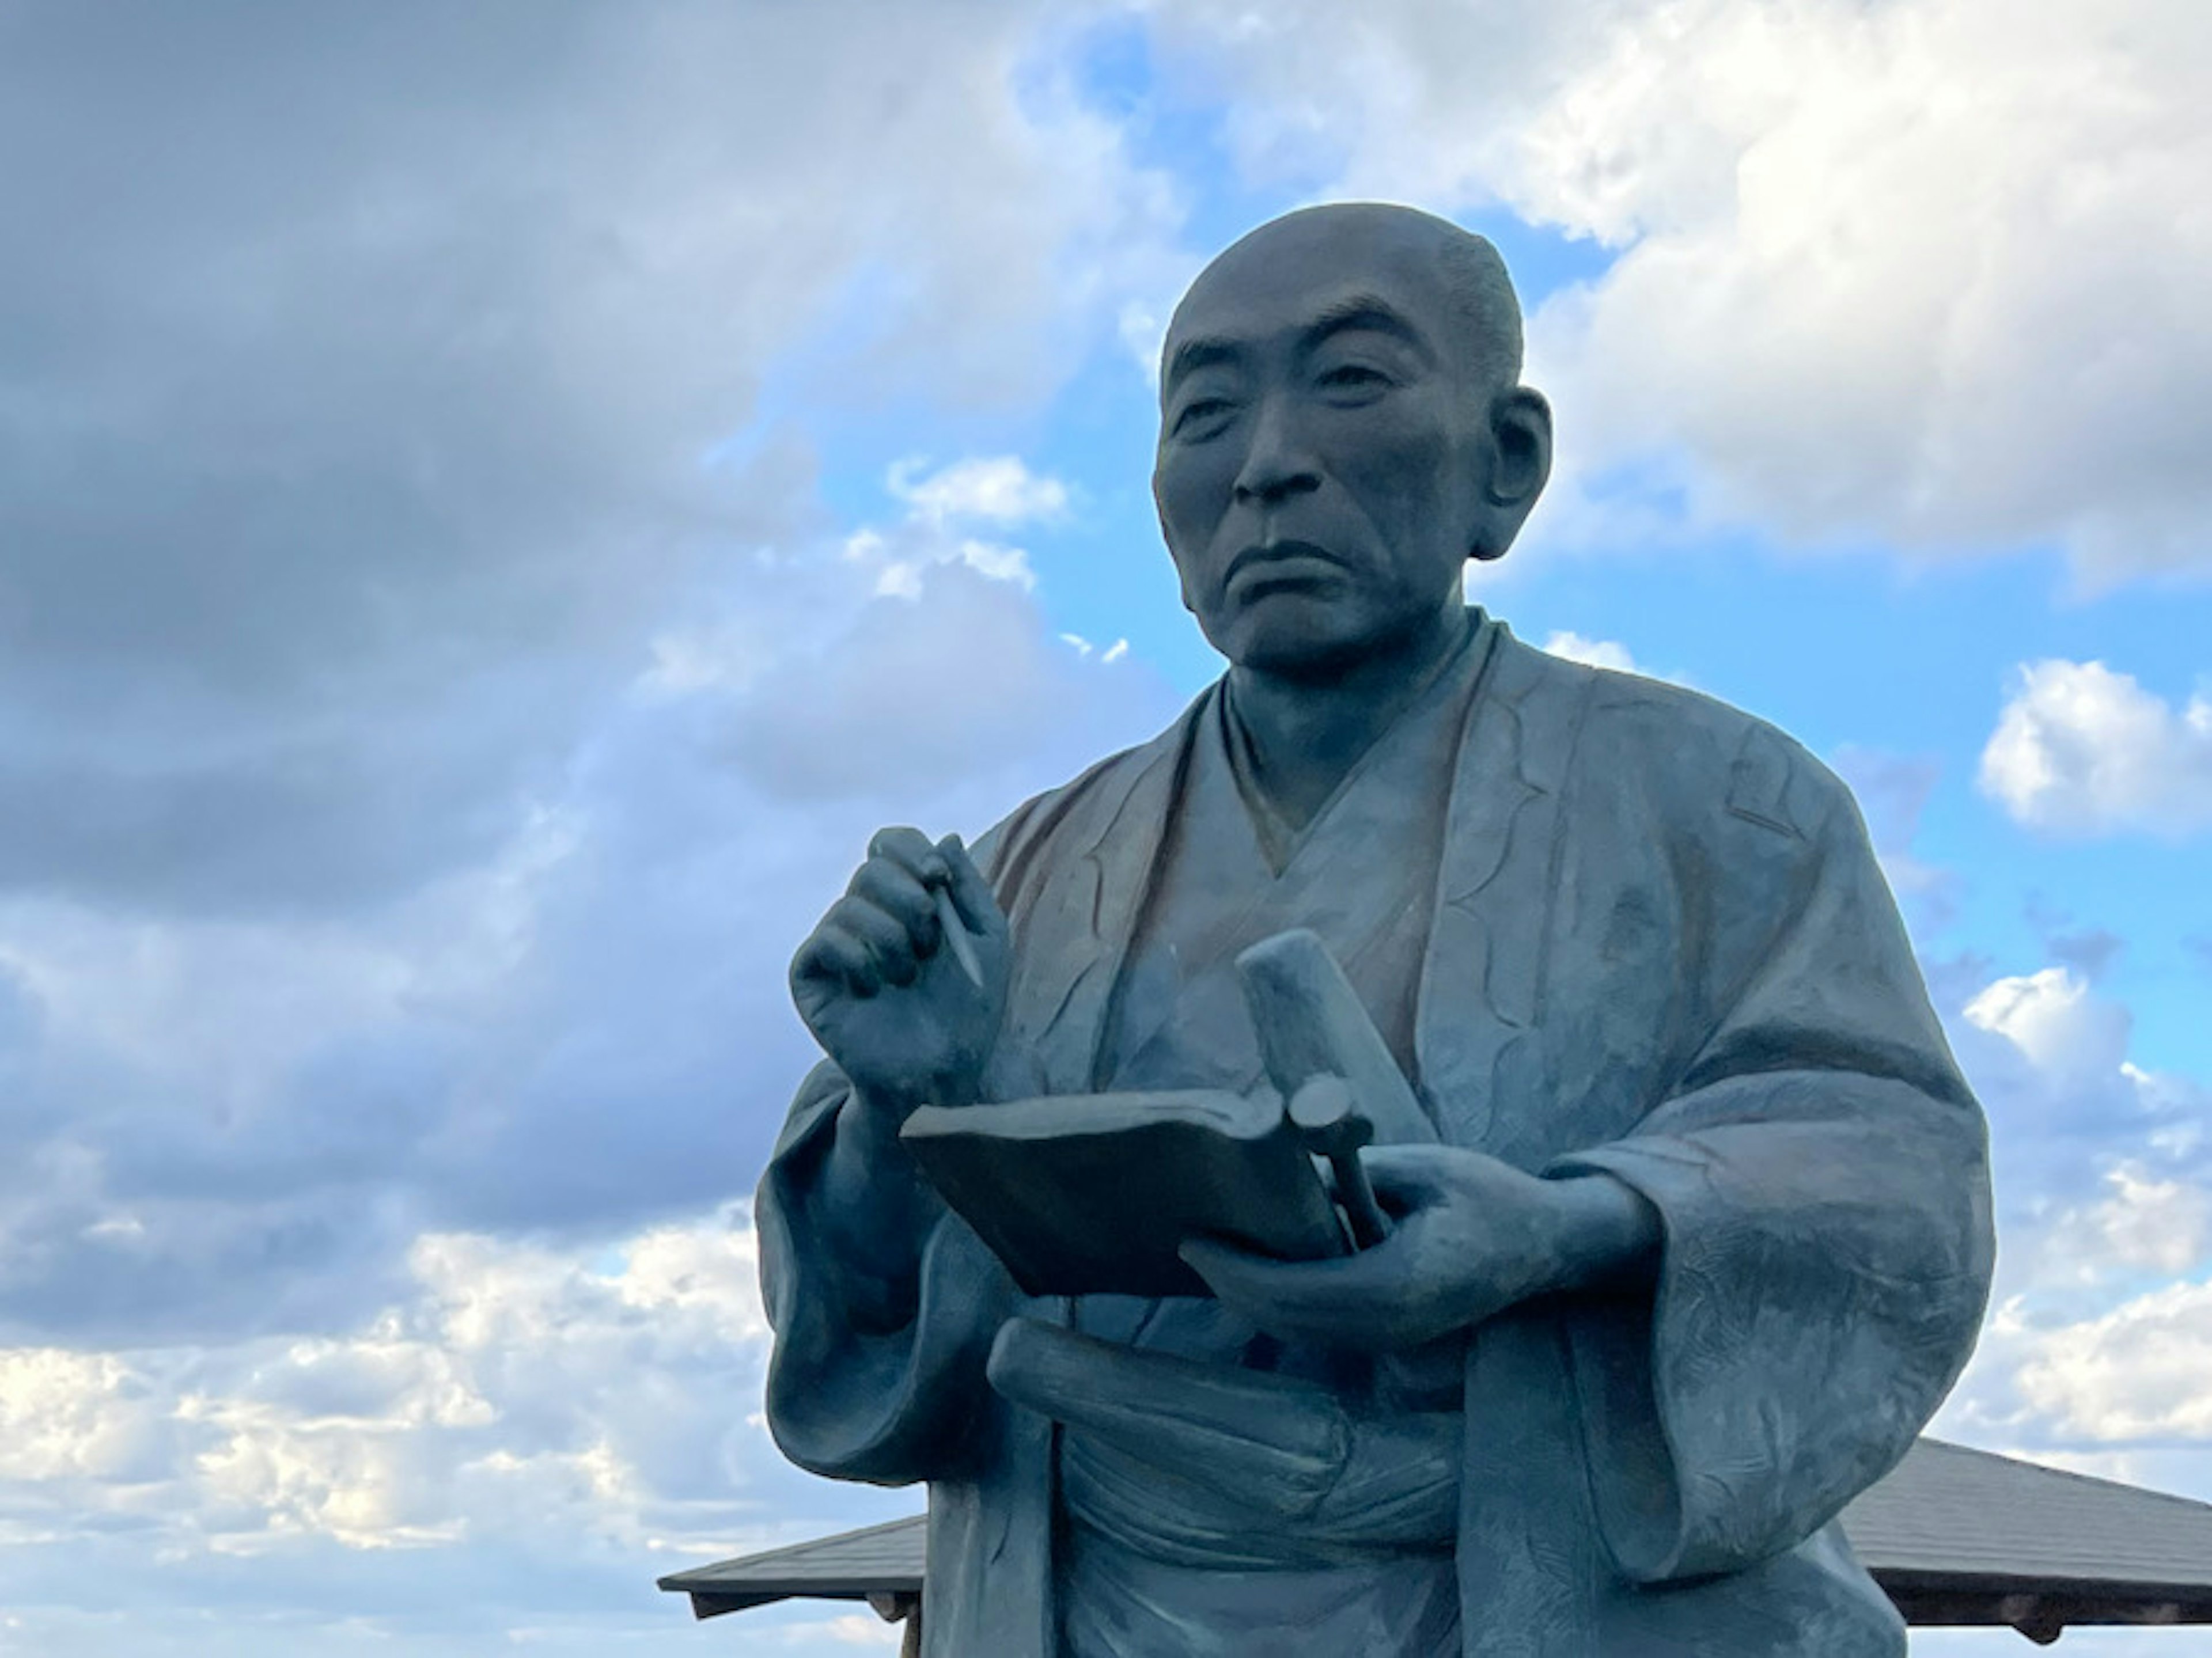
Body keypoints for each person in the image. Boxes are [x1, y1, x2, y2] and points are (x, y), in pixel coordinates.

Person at [757, 203, 1994, 1656]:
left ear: (1507, 464)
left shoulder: (1724, 805)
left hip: (1539, 1598)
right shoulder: (1013, 880)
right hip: (1088, 1601)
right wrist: (911, 1099)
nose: (1268, 462)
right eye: (1206, 412)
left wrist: (1568, 1230)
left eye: (1349, 380)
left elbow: (1892, 1177)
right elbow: (869, 1345)